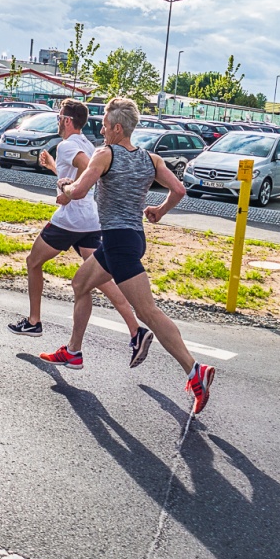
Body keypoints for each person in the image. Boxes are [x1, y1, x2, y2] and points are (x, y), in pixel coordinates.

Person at [41, 98, 217, 415]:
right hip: (129, 238)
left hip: (120, 243)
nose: (102, 130)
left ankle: (195, 372)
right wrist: (158, 212)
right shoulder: (151, 160)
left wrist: (65, 185)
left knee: (148, 312)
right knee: (80, 283)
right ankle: (74, 351)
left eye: (106, 126)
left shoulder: (104, 154)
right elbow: (178, 190)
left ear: (117, 128)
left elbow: (79, 192)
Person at [8, 100, 153, 367]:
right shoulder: (87, 143)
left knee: (33, 262)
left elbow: (88, 170)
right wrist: (54, 167)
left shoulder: (67, 144)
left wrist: (69, 194)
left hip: (70, 220)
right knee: (100, 280)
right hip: (92, 220)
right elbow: (78, 171)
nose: (56, 120)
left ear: (66, 120)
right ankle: (135, 331)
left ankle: (33, 322)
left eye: (58, 116)